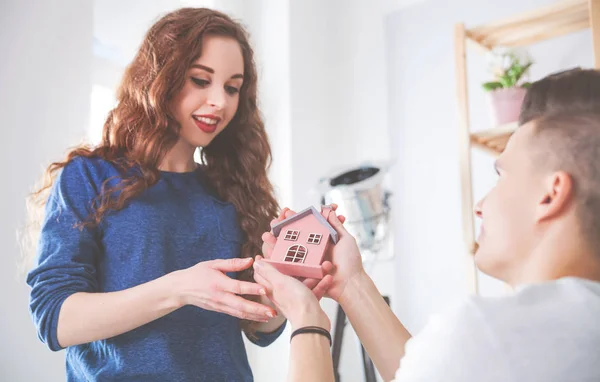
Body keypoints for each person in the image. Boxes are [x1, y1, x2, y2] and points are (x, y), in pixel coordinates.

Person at [24, 8, 315, 382]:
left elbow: (258, 329)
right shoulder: (89, 177)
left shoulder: (231, 190)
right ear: (160, 79)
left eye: (232, 88)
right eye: (200, 80)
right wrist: (179, 290)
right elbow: (54, 317)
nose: (220, 102)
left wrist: (286, 290)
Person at [257, 68, 600, 382]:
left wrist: (306, 318)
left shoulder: (486, 335)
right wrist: (351, 283)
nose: (480, 206)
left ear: (550, 194)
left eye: (501, 177)